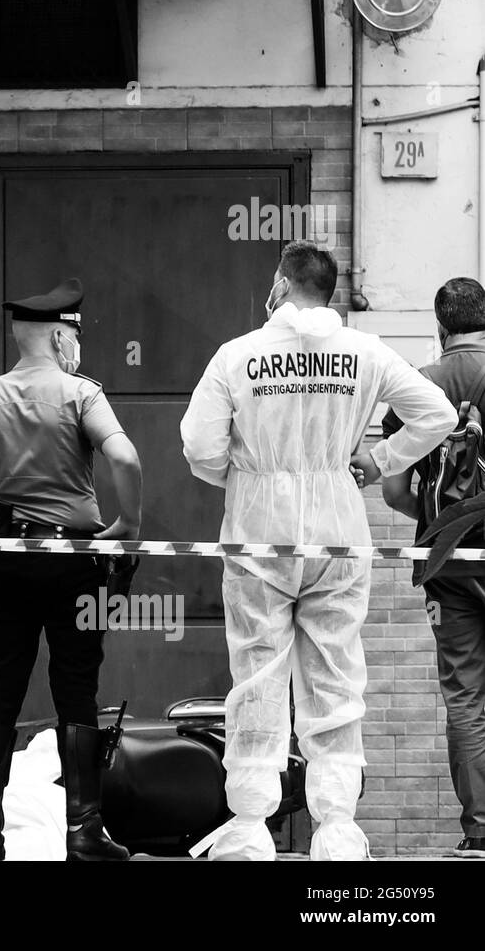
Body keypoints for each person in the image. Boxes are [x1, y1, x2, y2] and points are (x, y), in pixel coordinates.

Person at [181, 241, 457, 860]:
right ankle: (336, 830)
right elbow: (435, 415)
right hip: (339, 525)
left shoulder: (238, 355)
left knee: (257, 675)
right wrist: (378, 460)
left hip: (259, 531)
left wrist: (245, 476)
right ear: (330, 289)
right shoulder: (365, 352)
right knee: (336, 675)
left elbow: (199, 448)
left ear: (281, 283)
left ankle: (251, 827)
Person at [0, 278, 143, 862]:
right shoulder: (81, 394)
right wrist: (127, 527)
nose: (78, 344)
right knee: (77, 692)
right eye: (74, 333)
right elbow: (124, 456)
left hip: (6, 567)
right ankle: (84, 835)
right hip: (74, 565)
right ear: (58, 335)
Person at [380, 277, 485, 858]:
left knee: (466, 697)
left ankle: (480, 832)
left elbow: (394, 487)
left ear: (440, 328)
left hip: (447, 560)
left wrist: (430, 517)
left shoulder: (421, 384)